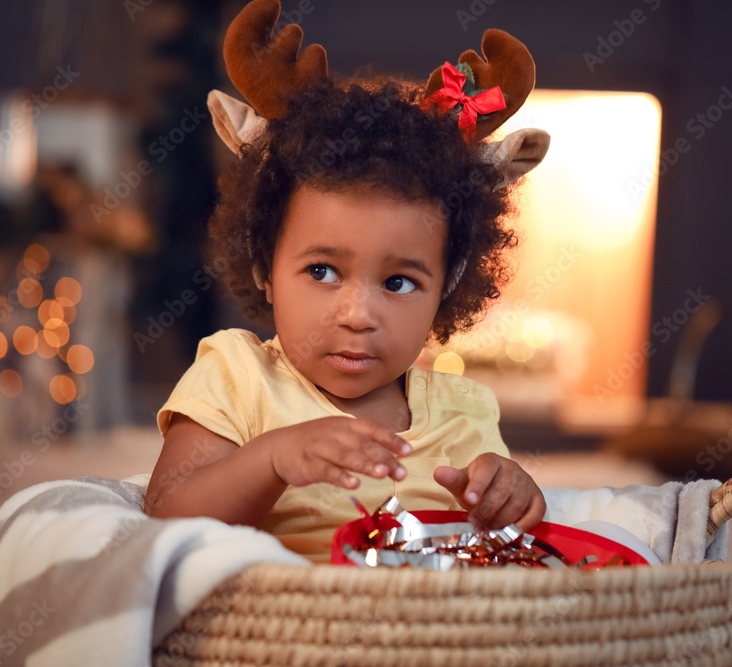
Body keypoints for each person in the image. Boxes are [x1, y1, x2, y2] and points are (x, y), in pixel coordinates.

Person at [144, 0, 551, 563]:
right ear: (265, 266)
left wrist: (510, 494)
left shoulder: (465, 410)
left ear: (447, 287)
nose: (358, 313)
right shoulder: (238, 377)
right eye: (322, 271)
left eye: (400, 283)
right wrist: (270, 459)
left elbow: (497, 545)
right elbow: (163, 516)